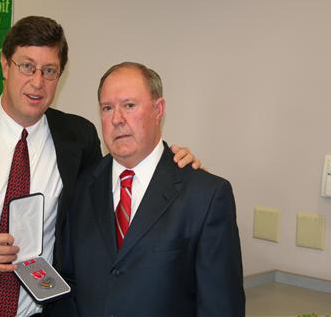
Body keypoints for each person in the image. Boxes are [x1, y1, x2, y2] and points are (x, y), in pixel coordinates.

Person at [0, 17, 199, 317]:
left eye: (49, 71)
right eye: (27, 66)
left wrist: (170, 164)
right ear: (5, 65)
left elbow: (113, 194)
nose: (37, 82)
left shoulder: (78, 138)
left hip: (40, 311)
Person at [50, 62, 245, 317]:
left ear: (158, 109)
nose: (117, 119)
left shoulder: (205, 196)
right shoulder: (81, 188)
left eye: (129, 106)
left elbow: (220, 308)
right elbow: (68, 285)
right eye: (107, 108)